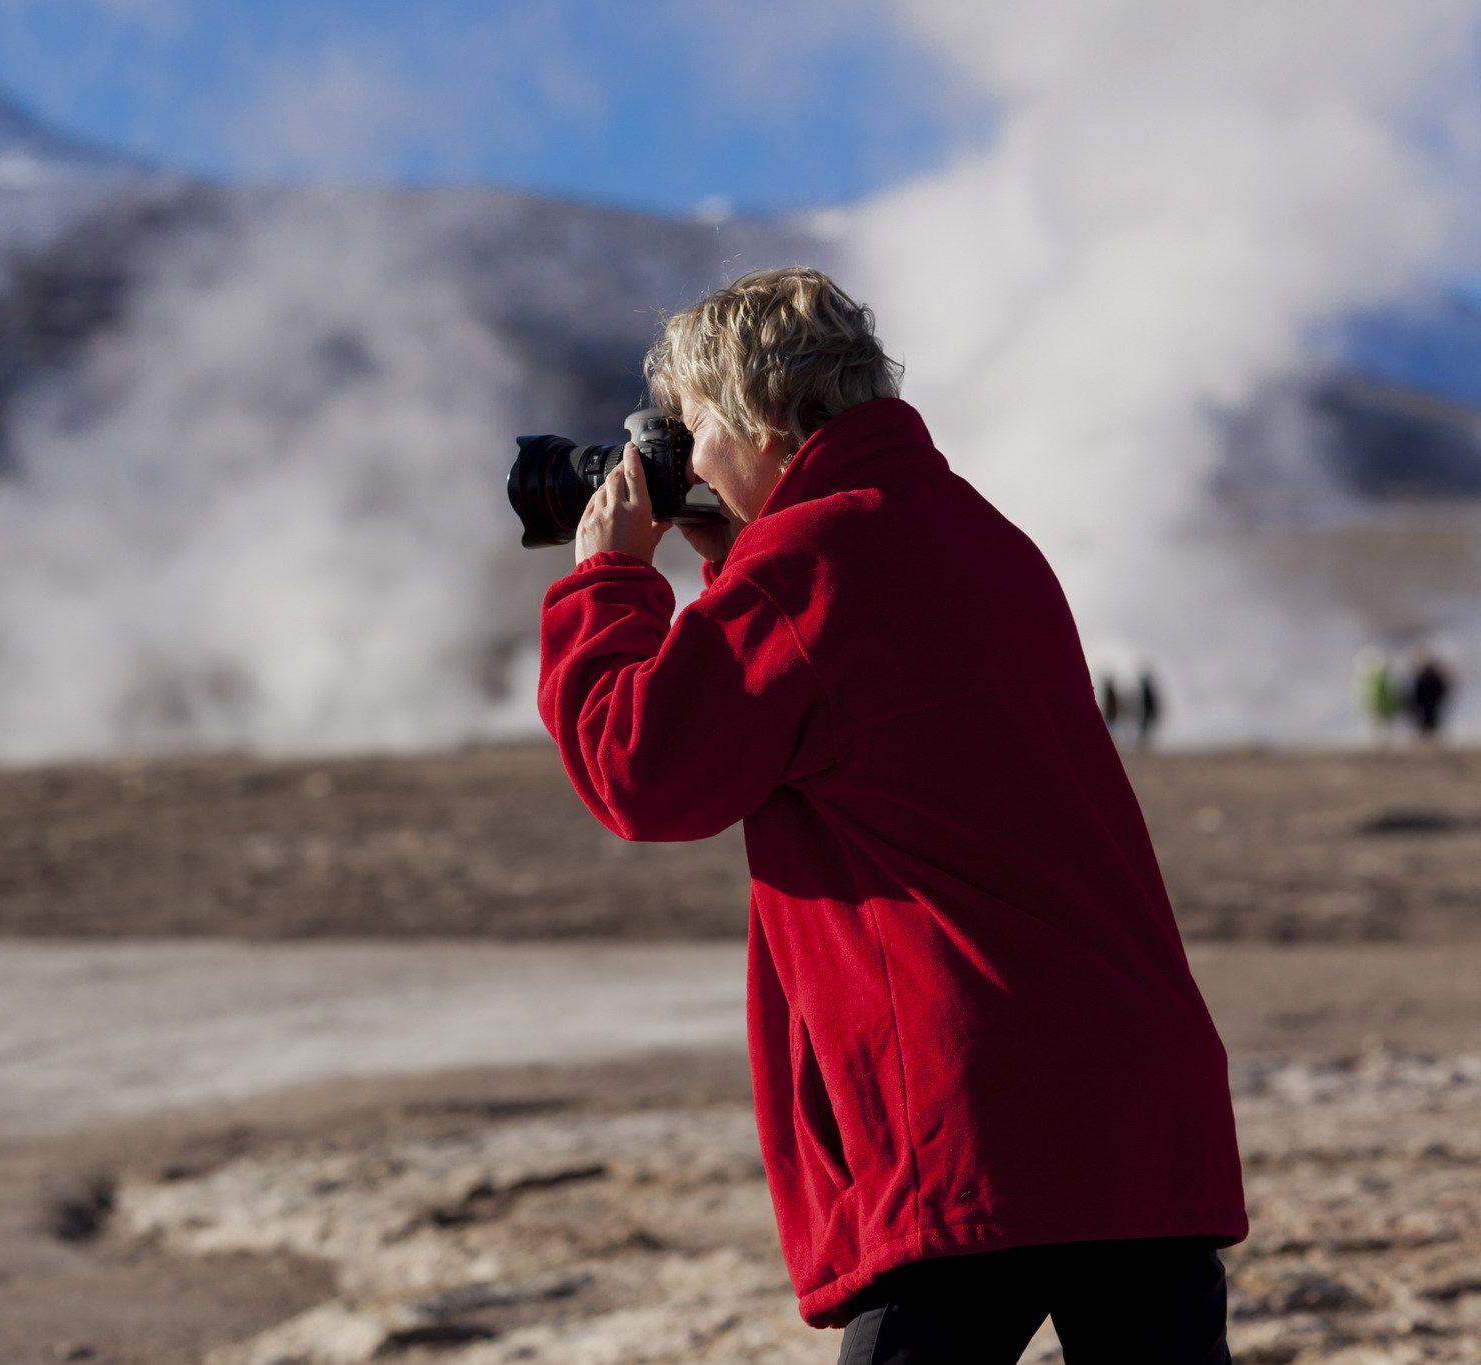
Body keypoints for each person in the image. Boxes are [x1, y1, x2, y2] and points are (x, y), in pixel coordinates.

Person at [537, 267, 1244, 1363]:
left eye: (690, 426)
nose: (682, 455)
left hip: (975, 1113)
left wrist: (607, 587)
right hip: (1138, 1102)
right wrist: (731, 561)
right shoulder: (977, 534)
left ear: (758, 418)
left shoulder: (803, 568)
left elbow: (644, 772)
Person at [1407, 650, 1454, 743]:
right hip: (1425, 703)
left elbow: (1441, 689)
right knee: (1425, 721)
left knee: (1431, 721)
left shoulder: (1432, 676)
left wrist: (1438, 699)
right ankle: (1427, 740)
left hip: (1431, 703)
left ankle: (1432, 740)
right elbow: (1416, 691)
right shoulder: (1423, 676)